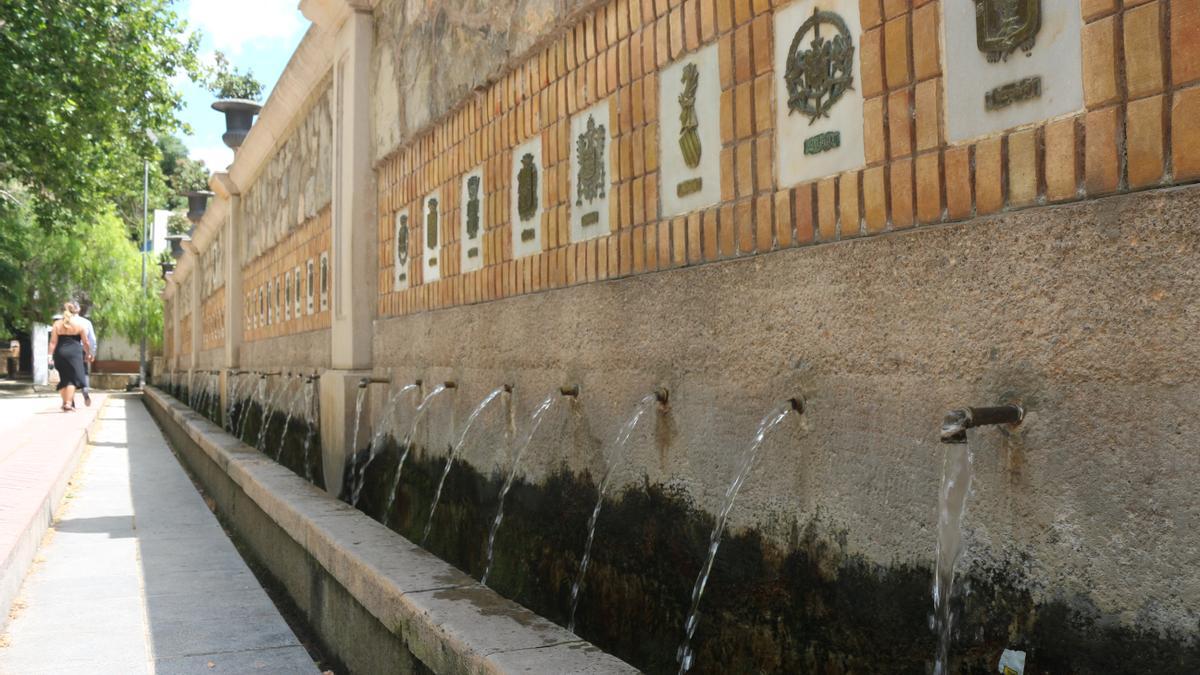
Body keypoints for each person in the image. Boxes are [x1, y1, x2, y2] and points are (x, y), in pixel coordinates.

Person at [48, 302, 91, 412]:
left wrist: (50, 356)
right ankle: (68, 403)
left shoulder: (57, 324)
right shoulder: (79, 325)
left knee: (63, 378)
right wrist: (88, 353)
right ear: (74, 312)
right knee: (73, 379)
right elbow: (86, 342)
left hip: (60, 353)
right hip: (75, 354)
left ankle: (65, 402)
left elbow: (52, 342)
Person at [67, 301, 97, 406]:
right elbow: (92, 340)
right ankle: (85, 390)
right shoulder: (86, 322)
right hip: (82, 350)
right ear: (79, 310)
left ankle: (71, 400)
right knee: (83, 372)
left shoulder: (64, 322)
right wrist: (92, 353)